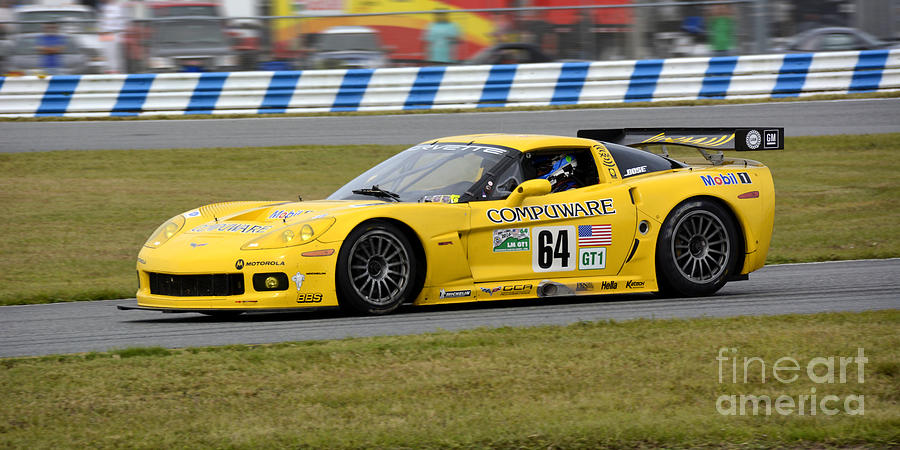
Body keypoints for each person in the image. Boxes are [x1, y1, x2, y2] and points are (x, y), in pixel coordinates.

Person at [98, 0, 126, 73]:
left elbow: (120, 22)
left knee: (115, 54)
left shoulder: (119, 7)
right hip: (105, 33)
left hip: (114, 33)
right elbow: (102, 22)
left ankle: (115, 70)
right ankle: (107, 70)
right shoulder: (104, 7)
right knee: (106, 53)